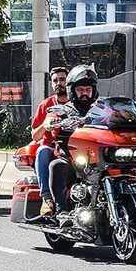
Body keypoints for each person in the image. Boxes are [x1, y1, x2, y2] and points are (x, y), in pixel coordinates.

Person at [47, 65, 99, 227]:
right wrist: (52, 122)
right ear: (72, 91)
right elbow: (49, 120)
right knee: (57, 166)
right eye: (80, 89)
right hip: (72, 158)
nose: (85, 93)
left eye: (88, 89)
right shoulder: (65, 109)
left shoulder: (100, 109)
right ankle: (61, 211)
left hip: (97, 159)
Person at [31, 66, 70, 215]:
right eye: (55, 81)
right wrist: (45, 125)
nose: (59, 83)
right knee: (42, 152)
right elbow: (35, 135)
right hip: (51, 146)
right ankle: (47, 199)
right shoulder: (45, 105)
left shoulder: (78, 102)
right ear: (52, 84)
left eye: (62, 79)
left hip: (73, 146)